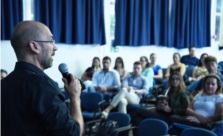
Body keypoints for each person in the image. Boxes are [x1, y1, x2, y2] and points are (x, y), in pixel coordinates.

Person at [1, 21, 84, 136]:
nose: (55, 47)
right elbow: (73, 133)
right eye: (50, 41)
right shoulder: (43, 86)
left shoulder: (4, 84)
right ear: (34, 46)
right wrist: (75, 98)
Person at [131, 71, 190, 136]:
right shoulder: (167, 91)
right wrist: (158, 106)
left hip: (169, 117)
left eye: (177, 79)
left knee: (137, 110)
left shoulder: (183, 93)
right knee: (138, 119)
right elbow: (160, 103)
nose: (174, 81)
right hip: (161, 113)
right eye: (172, 79)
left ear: (180, 80)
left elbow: (186, 110)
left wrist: (171, 110)